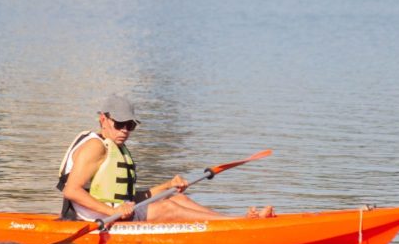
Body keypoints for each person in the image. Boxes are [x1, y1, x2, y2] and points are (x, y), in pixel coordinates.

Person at [57, 94, 272, 223]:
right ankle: (238, 224)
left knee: (177, 199)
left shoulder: (115, 148)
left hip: (113, 210)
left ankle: (233, 223)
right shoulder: (95, 146)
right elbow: (71, 191)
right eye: (119, 124)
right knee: (167, 209)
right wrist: (112, 211)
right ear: (103, 119)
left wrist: (168, 185)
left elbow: (130, 196)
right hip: (96, 217)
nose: (124, 131)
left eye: (130, 125)